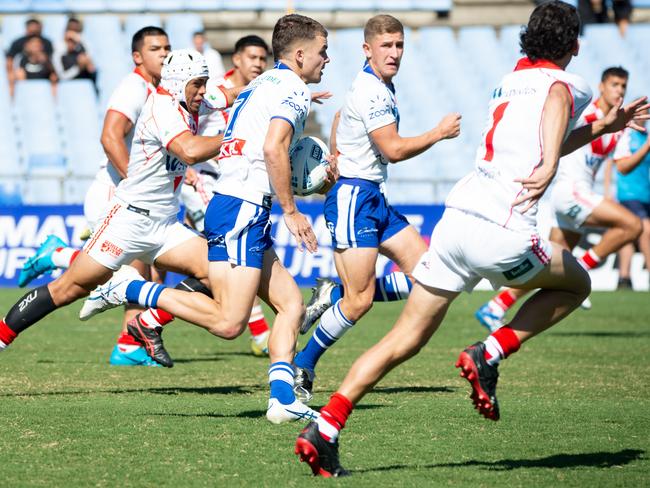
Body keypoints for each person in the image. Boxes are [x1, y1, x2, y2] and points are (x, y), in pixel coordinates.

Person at [291, 1, 649, 477]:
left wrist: (601, 128)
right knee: (576, 283)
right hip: (503, 227)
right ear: (575, 46)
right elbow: (555, 118)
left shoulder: (507, 82)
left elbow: (548, 135)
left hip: (456, 221)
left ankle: (327, 427)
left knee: (404, 339)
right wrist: (548, 168)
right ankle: (491, 351)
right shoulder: (568, 84)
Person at [79, 14, 336, 424]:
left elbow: (242, 121)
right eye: (323, 51)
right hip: (242, 209)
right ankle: (133, 289)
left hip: (239, 205)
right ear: (301, 53)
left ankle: (282, 399)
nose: (327, 59)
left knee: (290, 306)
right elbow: (273, 149)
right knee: (229, 323)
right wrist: (291, 210)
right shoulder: (291, 90)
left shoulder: (265, 82)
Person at [0, 49, 233, 376]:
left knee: (220, 271)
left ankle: (146, 319)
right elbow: (190, 151)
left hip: (165, 225)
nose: (202, 91)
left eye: (204, 83)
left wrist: (283, 92)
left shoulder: (189, 97)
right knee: (69, 289)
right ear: (180, 83)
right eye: (197, 84)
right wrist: (236, 137)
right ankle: (1, 338)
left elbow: (230, 92)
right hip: (129, 220)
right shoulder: (161, 107)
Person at [291, 14, 461, 404]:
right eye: (386, 45)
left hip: (372, 196)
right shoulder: (372, 91)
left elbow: (338, 116)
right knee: (360, 301)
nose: (395, 52)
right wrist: (438, 132)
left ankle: (331, 296)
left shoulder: (380, 85)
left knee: (430, 276)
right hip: (354, 198)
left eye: (399, 45)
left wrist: (336, 152)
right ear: (367, 49)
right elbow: (393, 150)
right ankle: (304, 363)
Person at [18, 27, 173, 367]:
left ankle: (129, 345)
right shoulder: (133, 87)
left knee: (144, 274)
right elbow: (110, 136)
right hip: (114, 194)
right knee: (115, 278)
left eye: (167, 47)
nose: (164, 53)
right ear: (137, 56)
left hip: (133, 198)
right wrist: (137, 184)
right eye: (155, 48)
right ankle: (58, 255)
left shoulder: (157, 90)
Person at [475, 66, 643, 331]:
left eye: (623, 86)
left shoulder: (618, 125)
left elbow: (622, 166)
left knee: (549, 267)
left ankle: (496, 305)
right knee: (633, 225)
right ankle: (583, 271)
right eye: (614, 84)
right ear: (601, 86)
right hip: (571, 190)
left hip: (572, 195)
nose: (619, 90)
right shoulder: (585, 112)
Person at [179, 34, 274, 357]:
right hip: (205, 182)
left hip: (235, 185)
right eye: (253, 58)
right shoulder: (214, 91)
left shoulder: (258, 93)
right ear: (236, 60)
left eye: (263, 59)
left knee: (228, 265)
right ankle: (260, 333)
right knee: (233, 260)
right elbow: (185, 124)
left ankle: (152, 318)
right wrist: (184, 163)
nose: (259, 64)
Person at [607, 116, 650, 289]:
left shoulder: (646, 137)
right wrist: (607, 190)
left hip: (645, 195)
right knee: (646, 231)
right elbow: (612, 162)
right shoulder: (625, 135)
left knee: (628, 236)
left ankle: (624, 278)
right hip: (627, 194)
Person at [6, 18, 54, 95]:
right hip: (25, 77)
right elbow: (10, 60)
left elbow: (52, 67)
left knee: (53, 77)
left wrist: (45, 61)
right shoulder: (19, 47)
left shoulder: (47, 43)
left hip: (43, 75)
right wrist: (11, 74)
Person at [53, 18, 97, 88]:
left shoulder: (82, 48)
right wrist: (78, 68)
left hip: (84, 84)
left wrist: (79, 40)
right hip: (66, 86)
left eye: (73, 42)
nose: (71, 44)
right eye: (69, 41)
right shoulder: (59, 53)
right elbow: (62, 76)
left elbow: (91, 63)